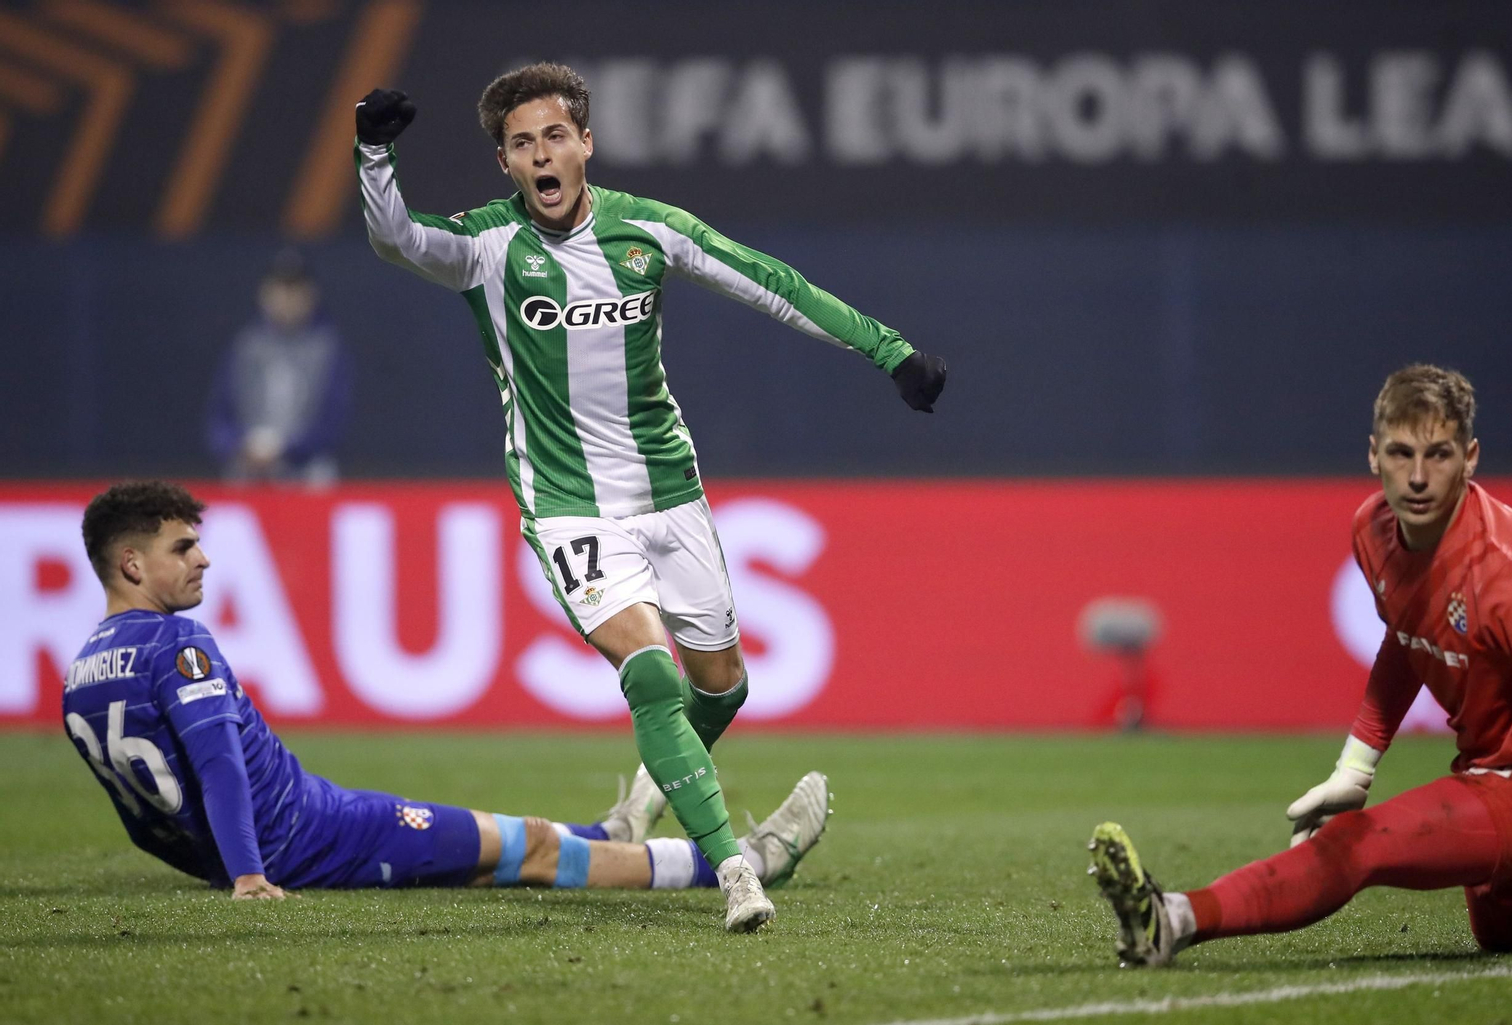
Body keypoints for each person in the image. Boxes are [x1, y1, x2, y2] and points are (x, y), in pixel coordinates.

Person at [352, 63, 943, 931]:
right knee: (653, 673)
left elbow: (770, 282)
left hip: (669, 491)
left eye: (556, 135)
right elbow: (398, 239)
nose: (542, 155)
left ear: (586, 143)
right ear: (506, 165)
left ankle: (638, 806)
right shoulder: (487, 248)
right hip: (566, 504)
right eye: (522, 144)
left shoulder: (649, 232)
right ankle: (737, 871)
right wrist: (374, 154)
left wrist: (890, 352)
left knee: (723, 686)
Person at [65, 480, 830, 900]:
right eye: (182, 546)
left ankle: (614, 831)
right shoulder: (177, 644)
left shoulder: (80, 678)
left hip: (273, 837)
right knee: (527, 851)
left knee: (514, 840)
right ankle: (742, 863)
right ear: (131, 564)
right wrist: (249, 873)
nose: (202, 557)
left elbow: (144, 819)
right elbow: (220, 767)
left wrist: (209, 861)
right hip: (315, 833)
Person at [1089, 365, 1512, 965]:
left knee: (1360, 845)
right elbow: (1408, 640)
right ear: (1372, 454)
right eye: (1400, 452)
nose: (1416, 476)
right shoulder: (1373, 529)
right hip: (1492, 766)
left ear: (1471, 458)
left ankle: (1171, 919)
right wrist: (1356, 767)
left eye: (1438, 455)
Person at [207, 250, 353, 486]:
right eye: (279, 289)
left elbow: (332, 423)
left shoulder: (326, 349)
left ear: (310, 294)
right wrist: (240, 445)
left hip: (306, 473)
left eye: (294, 289)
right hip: (248, 471)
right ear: (264, 293)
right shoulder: (245, 347)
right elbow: (219, 419)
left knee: (319, 474)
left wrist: (286, 449)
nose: (286, 298)